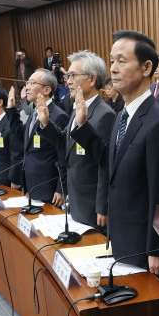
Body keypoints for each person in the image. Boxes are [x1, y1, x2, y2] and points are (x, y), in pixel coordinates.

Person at [72, 30, 159, 289]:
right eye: (112, 60)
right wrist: (82, 126)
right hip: (120, 236)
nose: (114, 68)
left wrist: (157, 249)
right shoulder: (123, 116)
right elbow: (111, 165)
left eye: (122, 60)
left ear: (146, 68)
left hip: (144, 247)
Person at [37, 50, 116, 228]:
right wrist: (46, 123)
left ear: (92, 79)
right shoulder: (77, 109)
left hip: (92, 204)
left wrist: (102, 207)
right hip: (76, 197)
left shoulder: (105, 115)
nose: (68, 81)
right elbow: (65, 145)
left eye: (72, 75)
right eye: (67, 75)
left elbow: (104, 165)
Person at [5, 69, 69, 206]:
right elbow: (24, 138)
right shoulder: (34, 112)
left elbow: (63, 153)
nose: (27, 87)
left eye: (32, 83)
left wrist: (61, 188)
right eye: (27, 83)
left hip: (49, 188)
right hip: (31, 184)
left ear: (46, 90)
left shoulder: (58, 116)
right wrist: (11, 110)